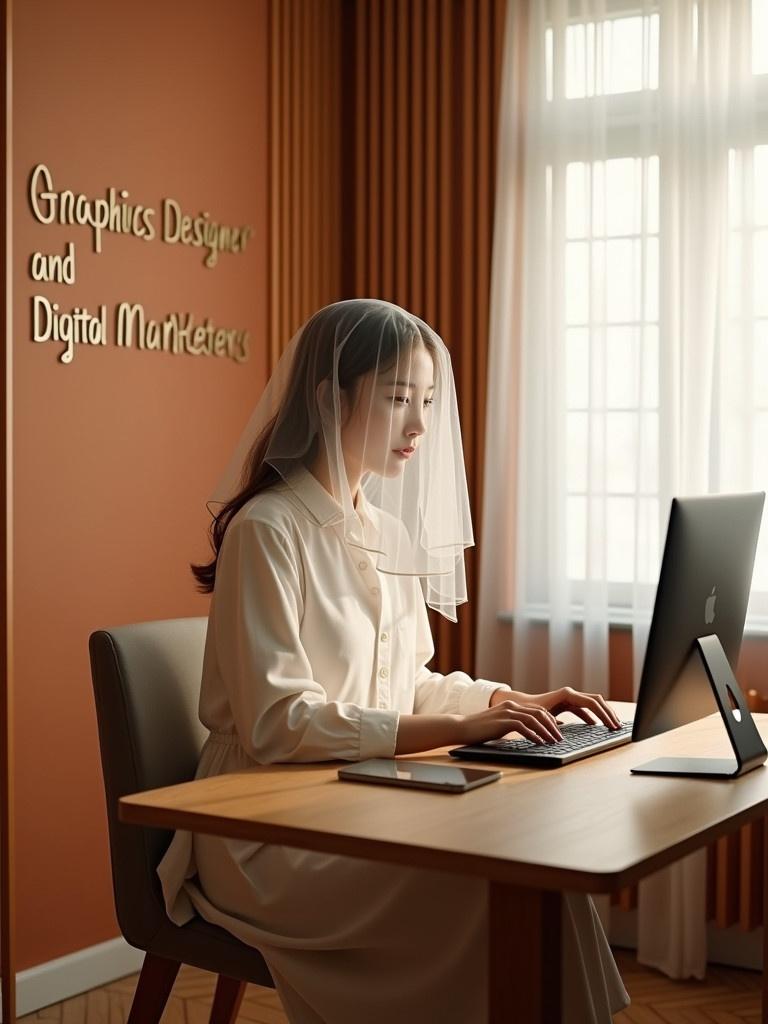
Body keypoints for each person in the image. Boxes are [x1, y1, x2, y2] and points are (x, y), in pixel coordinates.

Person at [157, 298, 630, 1023]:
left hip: (356, 797)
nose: (419, 425)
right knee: (476, 887)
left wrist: (513, 702)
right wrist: (466, 729)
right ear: (328, 396)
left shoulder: (383, 530)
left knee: (536, 881)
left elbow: (409, 683)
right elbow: (278, 726)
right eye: (398, 397)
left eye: (428, 402)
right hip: (261, 827)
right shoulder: (269, 531)